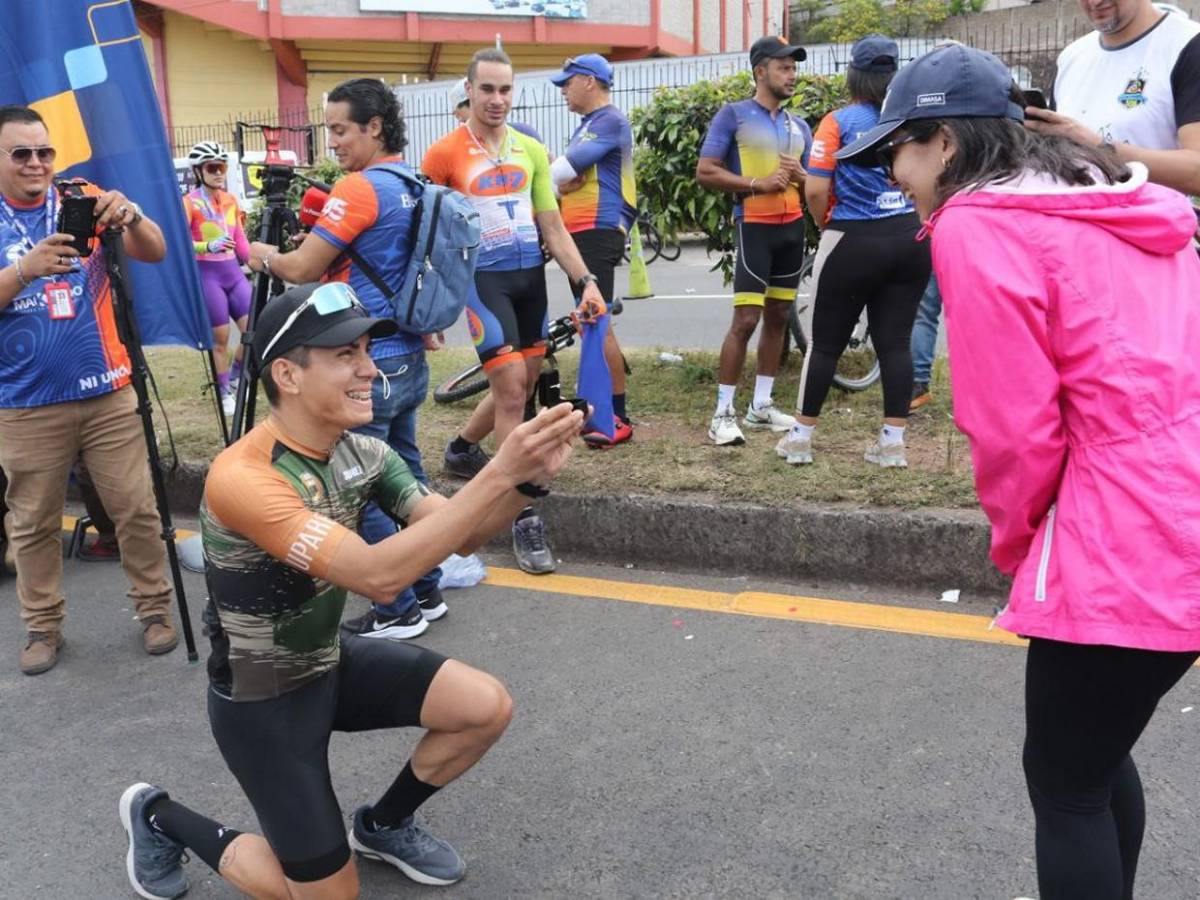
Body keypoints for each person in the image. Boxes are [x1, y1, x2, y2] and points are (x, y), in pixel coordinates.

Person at [837, 43, 1200, 899]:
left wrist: (1019, 542)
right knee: (1090, 760)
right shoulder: (1121, 201)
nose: (895, 170)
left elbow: (1011, 430)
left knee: (1066, 782)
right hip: (1179, 497)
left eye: (899, 147)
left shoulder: (978, 223)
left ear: (947, 146)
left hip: (1122, 527)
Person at [117, 281, 583, 900]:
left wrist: (527, 485)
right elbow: (378, 576)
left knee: (484, 707)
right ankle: (157, 815)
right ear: (287, 373)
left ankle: (383, 825)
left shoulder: (364, 451)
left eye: (367, 349)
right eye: (346, 356)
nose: (370, 369)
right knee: (328, 896)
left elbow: (460, 538)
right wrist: (497, 468)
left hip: (328, 662)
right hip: (263, 701)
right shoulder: (243, 477)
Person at [247, 78, 444, 641]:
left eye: (338, 129)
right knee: (409, 477)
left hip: (365, 359)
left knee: (363, 489)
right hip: (407, 351)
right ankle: (426, 590)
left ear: (373, 127)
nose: (330, 141)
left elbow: (305, 267)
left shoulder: (359, 189)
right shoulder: (414, 180)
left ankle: (398, 606)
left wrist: (264, 255)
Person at [0, 104, 178, 675]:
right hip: (25, 402)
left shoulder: (81, 195)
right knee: (32, 525)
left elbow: (155, 251)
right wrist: (24, 271)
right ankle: (42, 628)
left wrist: (132, 217)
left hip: (107, 390)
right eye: (21, 153)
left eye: (44, 152)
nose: (36, 163)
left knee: (137, 510)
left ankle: (155, 611)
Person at [423, 48, 606, 575]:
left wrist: (585, 281)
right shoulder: (443, 155)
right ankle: (522, 516)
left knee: (523, 384)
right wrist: (434, 308)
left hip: (529, 282)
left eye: (505, 90)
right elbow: (431, 237)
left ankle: (462, 449)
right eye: (487, 89)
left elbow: (552, 225)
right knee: (510, 393)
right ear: (469, 90)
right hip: (483, 284)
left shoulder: (530, 149)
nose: (497, 100)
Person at [777, 34, 930, 468]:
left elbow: (817, 188)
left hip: (852, 239)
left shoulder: (838, 121)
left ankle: (800, 439)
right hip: (910, 239)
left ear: (854, 75)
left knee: (825, 344)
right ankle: (892, 444)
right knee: (896, 342)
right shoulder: (914, 121)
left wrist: (828, 224)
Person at [697, 35, 812, 446]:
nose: (792, 74)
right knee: (746, 321)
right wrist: (755, 183)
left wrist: (802, 177)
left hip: (792, 227)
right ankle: (722, 413)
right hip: (755, 227)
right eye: (784, 67)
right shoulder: (734, 115)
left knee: (779, 316)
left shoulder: (798, 125)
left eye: (794, 67)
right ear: (760, 70)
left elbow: (814, 180)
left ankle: (760, 406)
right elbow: (705, 171)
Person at [549, 53, 637, 447]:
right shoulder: (591, 125)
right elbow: (565, 176)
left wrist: (551, 178)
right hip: (584, 230)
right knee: (593, 324)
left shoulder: (607, 121)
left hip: (595, 229)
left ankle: (616, 416)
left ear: (589, 81)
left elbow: (561, 173)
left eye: (567, 82)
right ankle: (609, 412)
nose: (563, 90)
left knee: (596, 323)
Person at [1024, 0, 1200, 196]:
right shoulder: (1071, 57)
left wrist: (1100, 149)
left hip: (1152, 222)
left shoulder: (1188, 45)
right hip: (1077, 220)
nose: (1095, 2)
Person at [183, 140, 251, 417]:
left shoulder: (231, 201)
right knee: (220, 340)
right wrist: (205, 247)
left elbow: (240, 240)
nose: (219, 173)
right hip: (208, 276)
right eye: (213, 168)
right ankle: (224, 392)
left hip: (233, 274)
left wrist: (259, 261)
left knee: (253, 334)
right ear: (199, 171)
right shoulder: (188, 203)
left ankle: (234, 377)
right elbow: (180, 243)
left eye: (222, 167)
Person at [908, 274, 940, 411]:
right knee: (971, 313)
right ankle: (977, 387)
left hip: (931, 253)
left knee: (924, 315)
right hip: (965, 254)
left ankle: (919, 384)